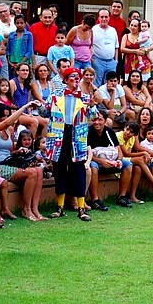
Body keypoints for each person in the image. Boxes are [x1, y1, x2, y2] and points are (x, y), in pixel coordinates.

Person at [45, 67, 98, 221]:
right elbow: (44, 112)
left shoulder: (85, 97)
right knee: (59, 170)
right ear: (66, 80)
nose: (75, 79)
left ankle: (81, 208)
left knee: (79, 171)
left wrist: (93, 105)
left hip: (77, 136)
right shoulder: (55, 95)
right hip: (59, 135)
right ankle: (59, 207)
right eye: (72, 77)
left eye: (77, 77)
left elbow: (93, 117)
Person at [0, 102, 46, 221]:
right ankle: (26, 210)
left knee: (38, 170)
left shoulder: (10, 130)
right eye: (4, 115)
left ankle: (35, 209)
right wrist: (24, 107)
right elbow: (6, 123)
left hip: (9, 162)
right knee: (32, 173)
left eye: (8, 115)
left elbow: (10, 152)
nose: (7, 118)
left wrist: (18, 152)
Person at [86, 109, 134, 210]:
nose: (97, 122)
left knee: (128, 165)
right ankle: (95, 200)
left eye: (100, 120)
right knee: (93, 167)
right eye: (95, 120)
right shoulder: (88, 131)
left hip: (109, 159)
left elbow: (119, 150)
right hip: (94, 159)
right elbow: (86, 154)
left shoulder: (109, 132)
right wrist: (101, 162)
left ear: (105, 120)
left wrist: (119, 160)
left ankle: (122, 196)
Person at [117, 121, 153, 204]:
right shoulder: (119, 135)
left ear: (135, 134)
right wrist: (144, 153)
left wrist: (149, 154)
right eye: (127, 129)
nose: (128, 133)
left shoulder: (132, 138)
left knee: (138, 168)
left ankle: (132, 196)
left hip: (126, 159)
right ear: (124, 128)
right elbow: (126, 153)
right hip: (117, 158)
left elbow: (129, 153)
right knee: (140, 160)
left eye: (131, 132)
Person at [91, 8, 120, 87]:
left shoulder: (113, 30)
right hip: (98, 61)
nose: (104, 19)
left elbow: (116, 46)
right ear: (98, 18)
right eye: (102, 17)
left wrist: (116, 60)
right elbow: (89, 45)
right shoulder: (93, 29)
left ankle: (109, 99)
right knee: (97, 83)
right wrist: (92, 58)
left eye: (106, 17)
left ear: (109, 18)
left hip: (111, 62)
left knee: (111, 83)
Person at [6, 14, 33, 78]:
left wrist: (21, 63)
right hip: (12, 62)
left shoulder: (29, 35)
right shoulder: (11, 35)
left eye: (21, 23)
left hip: (24, 62)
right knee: (12, 80)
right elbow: (8, 49)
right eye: (17, 23)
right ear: (15, 24)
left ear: (25, 23)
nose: (19, 25)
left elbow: (29, 51)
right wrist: (9, 61)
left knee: (24, 80)